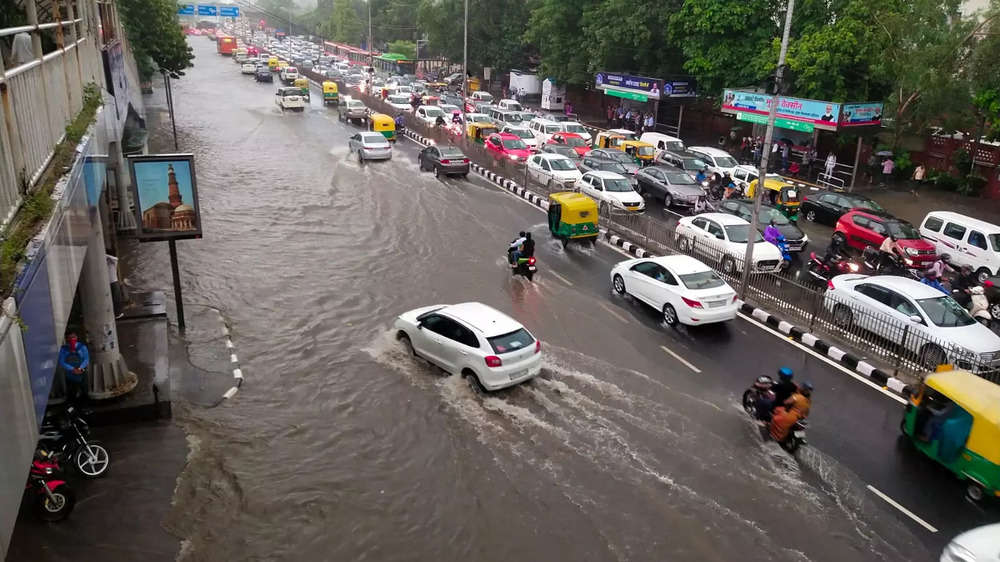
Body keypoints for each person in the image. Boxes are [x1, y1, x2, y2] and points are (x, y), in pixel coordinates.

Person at [58, 331, 90, 404]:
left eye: (74, 337)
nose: (72, 339)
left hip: (82, 373)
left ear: (77, 337)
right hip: (70, 375)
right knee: (72, 394)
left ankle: (85, 408)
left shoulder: (82, 347)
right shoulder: (64, 349)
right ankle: (73, 409)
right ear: (67, 339)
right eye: (70, 338)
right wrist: (72, 369)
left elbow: (86, 359)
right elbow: (62, 361)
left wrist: (80, 368)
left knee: (85, 392)